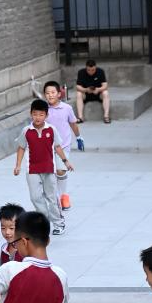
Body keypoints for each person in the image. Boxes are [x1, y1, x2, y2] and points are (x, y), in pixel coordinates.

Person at [14, 99, 74, 236]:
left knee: (51, 197)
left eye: (41, 115)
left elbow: (58, 147)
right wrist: (17, 166)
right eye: (35, 114)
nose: (38, 117)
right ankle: (45, 220)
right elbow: (21, 148)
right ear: (31, 114)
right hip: (32, 170)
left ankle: (59, 223)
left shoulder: (51, 130)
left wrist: (66, 162)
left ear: (46, 116)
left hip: (48, 169)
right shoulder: (26, 131)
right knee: (35, 197)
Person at [43, 80, 85, 210]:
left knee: (60, 170)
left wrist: (78, 137)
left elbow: (73, 123)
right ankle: (54, 197)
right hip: (46, 147)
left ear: (59, 94)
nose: (50, 95)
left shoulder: (67, 108)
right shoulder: (43, 110)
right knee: (49, 174)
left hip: (63, 145)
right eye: (47, 93)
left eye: (53, 92)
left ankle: (64, 196)